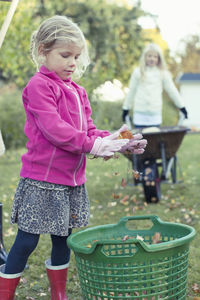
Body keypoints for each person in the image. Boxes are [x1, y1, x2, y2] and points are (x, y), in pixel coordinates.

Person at [0, 15, 147, 300]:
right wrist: (95, 146)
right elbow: (56, 131)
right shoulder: (39, 86)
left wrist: (118, 141)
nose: (72, 63)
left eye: (76, 57)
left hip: (70, 182)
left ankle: (59, 295)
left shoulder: (78, 91)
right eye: (65, 55)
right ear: (43, 50)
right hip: (41, 181)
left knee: (62, 240)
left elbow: (88, 131)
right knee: (27, 240)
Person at [122, 43, 188, 128]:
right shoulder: (138, 72)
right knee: (140, 140)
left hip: (155, 115)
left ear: (159, 59)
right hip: (140, 115)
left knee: (154, 140)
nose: (152, 59)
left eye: (155, 57)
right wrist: (126, 108)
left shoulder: (163, 73)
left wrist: (181, 106)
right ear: (145, 57)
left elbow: (172, 90)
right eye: (149, 56)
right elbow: (131, 91)